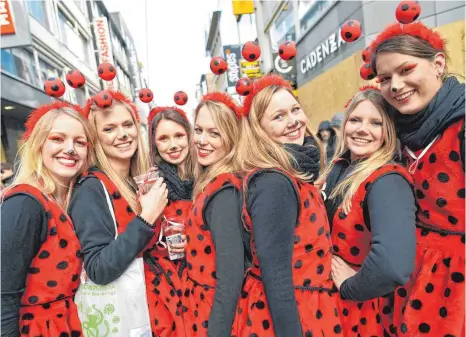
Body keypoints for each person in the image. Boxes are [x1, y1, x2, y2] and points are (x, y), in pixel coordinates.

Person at [371, 21, 465, 336]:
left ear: (438, 65)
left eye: (406, 70)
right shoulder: (394, 131)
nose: (395, 85)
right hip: (413, 282)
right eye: (385, 78)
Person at [233, 74, 341, 337]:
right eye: (278, 116)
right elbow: (277, 279)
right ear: (259, 129)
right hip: (295, 316)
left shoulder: (288, 173)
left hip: (309, 306)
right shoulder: (274, 182)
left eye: (295, 109)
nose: (294, 121)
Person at [320, 86, 416, 337]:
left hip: (363, 314)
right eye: (355, 120)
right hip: (333, 309)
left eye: (376, 122)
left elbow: (392, 267)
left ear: (388, 132)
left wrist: (351, 286)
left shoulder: (387, 180)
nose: (362, 129)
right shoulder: (339, 167)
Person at [69, 91, 168, 324]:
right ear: (95, 137)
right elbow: (98, 269)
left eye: (127, 124)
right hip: (126, 317)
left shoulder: (136, 181)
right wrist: (146, 219)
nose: (122, 134)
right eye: (109, 128)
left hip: (154, 310)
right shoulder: (91, 188)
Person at [1, 101, 94, 337]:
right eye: (57, 139)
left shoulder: (68, 199)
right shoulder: (25, 204)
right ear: (38, 145)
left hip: (67, 324)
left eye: (79, 142)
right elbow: (3, 295)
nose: (71, 149)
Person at [180, 92, 244, 337]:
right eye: (198, 130)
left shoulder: (224, 191)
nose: (201, 140)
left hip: (214, 313)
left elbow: (230, 278)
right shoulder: (211, 181)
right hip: (202, 306)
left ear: (231, 138)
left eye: (214, 133)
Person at [145, 106, 195, 337]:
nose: (173, 145)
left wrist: (194, 243)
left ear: (189, 135)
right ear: (154, 144)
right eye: (163, 139)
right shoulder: (151, 184)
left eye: (178, 136)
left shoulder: (207, 176)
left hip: (202, 279)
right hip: (164, 284)